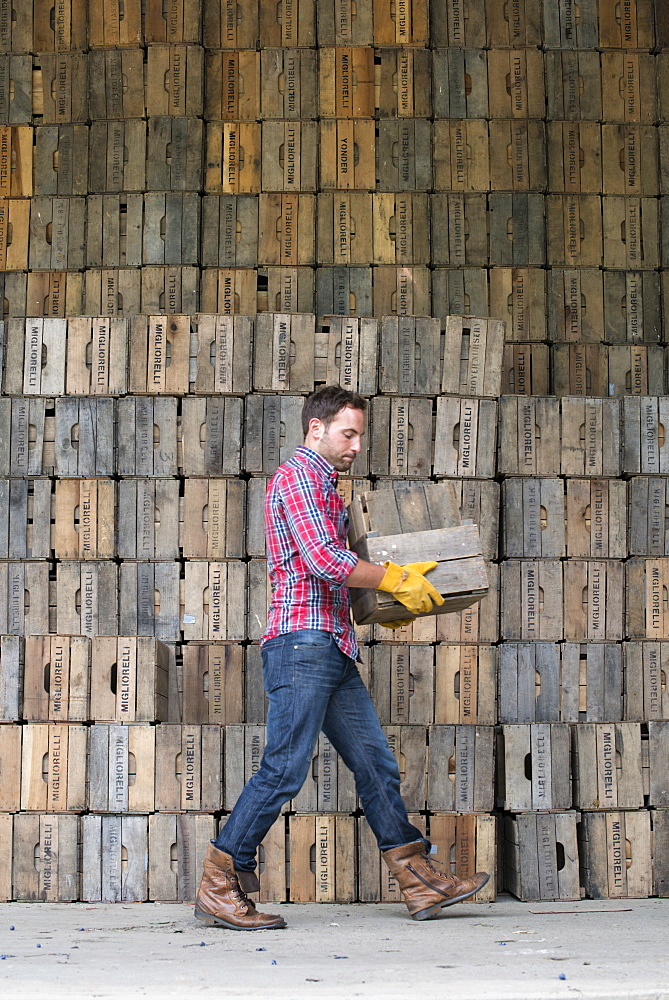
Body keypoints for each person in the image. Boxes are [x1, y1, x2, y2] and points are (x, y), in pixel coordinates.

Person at [195, 385, 489, 930]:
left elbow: (331, 578)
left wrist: (381, 605)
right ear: (316, 429)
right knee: (283, 768)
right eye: (347, 433)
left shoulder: (326, 485)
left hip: (329, 644)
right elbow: (324, 560)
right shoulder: (300, 476)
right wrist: (396, 578)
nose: (356, 445)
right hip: (301, 645)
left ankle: (417, 878)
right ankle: (220, 879)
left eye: (360, 435)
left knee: (376, 764)